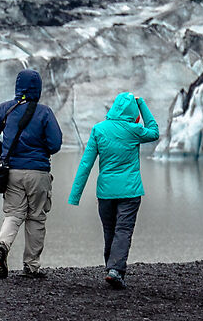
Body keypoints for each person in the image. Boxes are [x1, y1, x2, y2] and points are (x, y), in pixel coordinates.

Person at [68, 91, 162, 288]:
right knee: (123, 230)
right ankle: (115, 270)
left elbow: (86, 164)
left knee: (109, 230)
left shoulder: (99, 129)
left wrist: (75, 195)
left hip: (106, 192)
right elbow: (154, 131)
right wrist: (142, 103)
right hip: (130, 191)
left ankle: (111, 268)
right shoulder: (134, 130)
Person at [0, 67, 62, 279]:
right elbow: (55, 144)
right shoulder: (44, 112)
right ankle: (31, 266)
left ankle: (2, 245)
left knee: (14, 214)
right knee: (36, 218)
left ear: (17, 86)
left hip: (12, 172)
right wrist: (39, 151)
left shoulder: (4, 109)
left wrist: (6, 153)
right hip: (38, 172)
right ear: (38, 88)